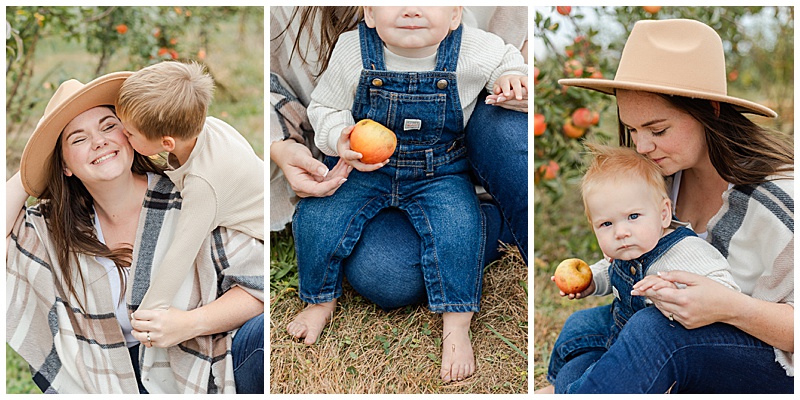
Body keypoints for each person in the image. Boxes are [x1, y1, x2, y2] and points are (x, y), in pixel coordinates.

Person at [540, 18, 793, 393]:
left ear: (710, 110)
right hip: (683, 337)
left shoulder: (778, 201)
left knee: (654, 331)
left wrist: (729, 307)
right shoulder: (663, 178)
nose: (642, 147)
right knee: (588, 327)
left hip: (770, 363)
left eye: (657, 131)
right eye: (633, 130)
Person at [287, 6, 526, 382]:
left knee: (458, 227)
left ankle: (457, 324)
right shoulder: (353, 49)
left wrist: (512, 76)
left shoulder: (473, 47)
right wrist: (339, 136)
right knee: (317, 216)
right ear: (368, 13)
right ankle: (320, 299)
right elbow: (325, 106)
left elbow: (507, 58)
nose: (412, 8)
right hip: (366, 167)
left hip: (440, 170)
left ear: (454, 15)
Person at [6, 72, 264, 393]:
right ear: (64, 166)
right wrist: (31, 170)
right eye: (78, 138)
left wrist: (189, 323)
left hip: (205, 359)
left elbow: (257, 285)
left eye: (108, 126)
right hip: (110, 380)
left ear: (131, 133)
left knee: (264, 334)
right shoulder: (54, 231)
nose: (99, 141)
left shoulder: (191, 193)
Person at [546, 144, 740, 393]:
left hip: (657, 348)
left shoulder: (687, 251)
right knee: (579, 324)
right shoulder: (632, 247)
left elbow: (727, 290)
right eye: (606, 223)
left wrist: (677, 291)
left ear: (663, 214)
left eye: (634, 216)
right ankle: (557, 384)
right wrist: (592, 282)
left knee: (583, 380)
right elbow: (612, 270)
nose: (621, 232)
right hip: (619, 330)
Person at [114, 60, 264, 312]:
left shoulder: (203, 184)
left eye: (129, 133)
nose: (122, 134)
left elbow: (181, 252)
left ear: (167, 143)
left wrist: (150, 309)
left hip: (256, 232)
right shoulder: (208, 127)